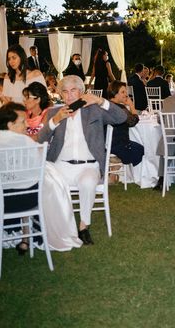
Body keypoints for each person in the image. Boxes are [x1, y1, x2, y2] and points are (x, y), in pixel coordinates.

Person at [37, 75, 127, 245]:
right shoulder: (54, 112)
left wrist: (100, 101)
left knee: (87, 182)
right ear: (60, 94)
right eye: (65, 92)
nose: (69, 95)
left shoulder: (93, 110)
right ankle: (52, 226)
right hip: (60, 166)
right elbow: (40, 140)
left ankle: (83, 226)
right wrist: (56, 121)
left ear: (81, 92)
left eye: (73, 91)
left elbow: (121, 118)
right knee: (44, 182)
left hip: (88, 166)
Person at [0, 102, 48, 259]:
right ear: (10, 124)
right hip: (26, 201)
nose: (26, 124)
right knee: (24, 183)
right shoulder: (27, 142)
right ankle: (26, 238)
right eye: (23, 121)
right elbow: (37, 172)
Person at [0, 44, 46, 118]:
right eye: (9, 59)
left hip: (36, 116)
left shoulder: (36, 74)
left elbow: (44, 98)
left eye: (14, 58)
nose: (11, 61)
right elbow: (8, 103)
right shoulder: (8, 77)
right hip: (18, 117)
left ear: (21, 57)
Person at [108, 80, 144, 166]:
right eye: (123, 92)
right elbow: (133, 121)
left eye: (126, 91)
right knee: (141, 149)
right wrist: (131, 105)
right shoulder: (120, 108)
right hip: (118, 146)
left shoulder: (107, 104)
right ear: (115, 94)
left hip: (106, 144)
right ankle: (119, 163)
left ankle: (114, 169)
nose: (126, 94)